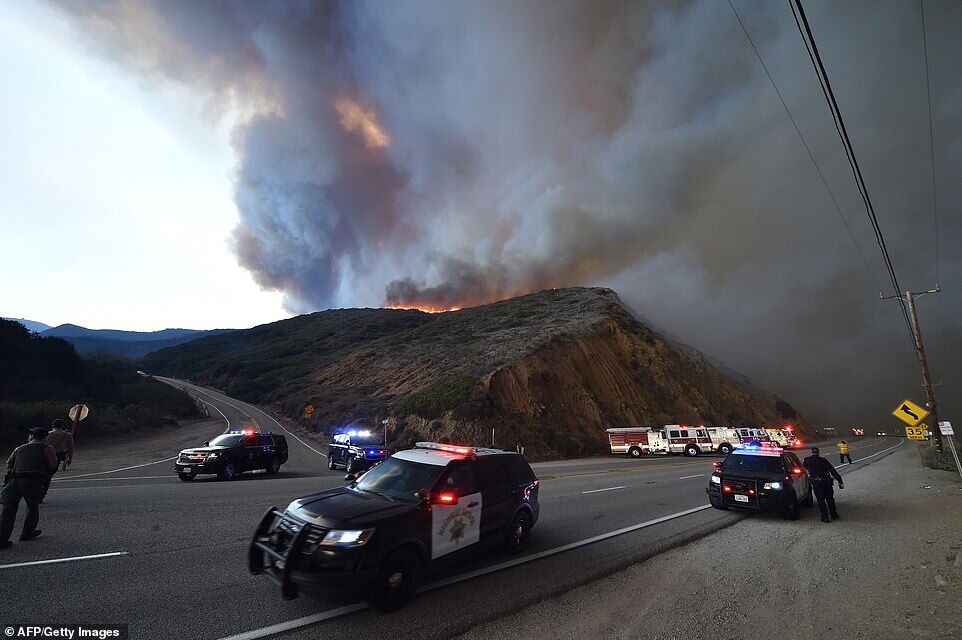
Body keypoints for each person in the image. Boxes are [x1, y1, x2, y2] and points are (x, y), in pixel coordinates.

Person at [1, 427, 58, 549]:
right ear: (44, 437)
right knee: (32, 507)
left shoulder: (19, 448)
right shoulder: (48, 448)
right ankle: (27, 532)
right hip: (33, 481)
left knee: (8, 511)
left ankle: (2, 539)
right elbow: (53, 464)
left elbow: (8, 465)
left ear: (31, 436)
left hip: (14, 481)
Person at [803, 446, 844, 523]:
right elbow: (832, 471)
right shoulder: (823, 460)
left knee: (821, 500)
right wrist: (840, 481)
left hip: (816, 483)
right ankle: (834, 515)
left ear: (811, 453)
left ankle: (825, 517)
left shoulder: (807, 460)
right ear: (818, 453)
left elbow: (805, 466)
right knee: (830, 499)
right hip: (826, 482)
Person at [41, 418, 74, 500]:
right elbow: (71, 449)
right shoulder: (67, 435)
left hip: (44, 456)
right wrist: (69, 459)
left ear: (52, 426)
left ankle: (38, 491)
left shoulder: (47, 434)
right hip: (57, 456)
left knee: (41, 474)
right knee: (49, 475)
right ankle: (42, 493)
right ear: (62, 426)